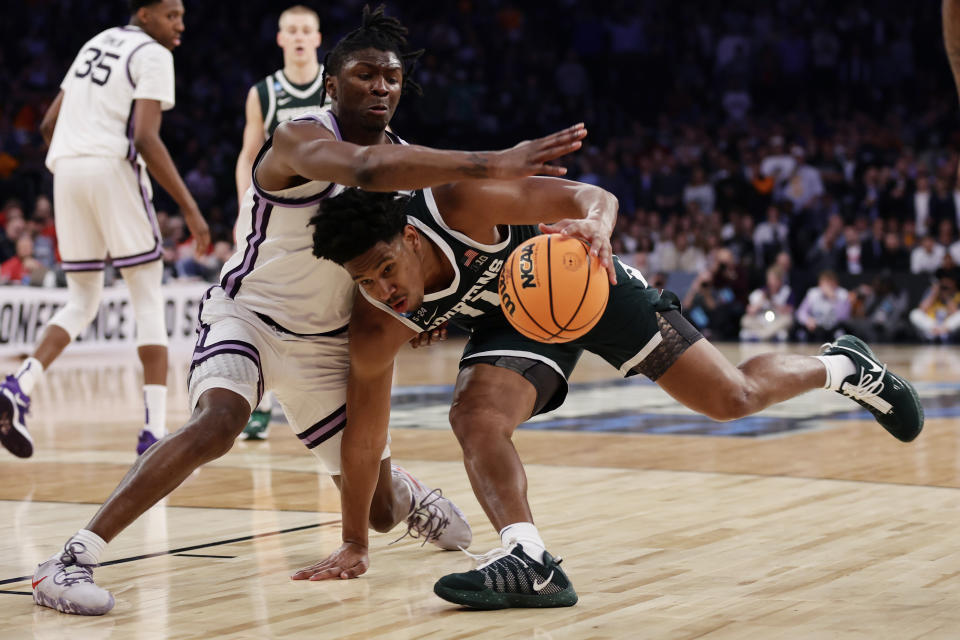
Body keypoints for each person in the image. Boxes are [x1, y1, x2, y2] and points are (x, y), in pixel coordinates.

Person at [31, 5, 587, 617]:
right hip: (250, 316)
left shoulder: (410, 163)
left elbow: (418, 249)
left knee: (376, 516)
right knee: (218, 424)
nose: (380, 86)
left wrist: (430, 308)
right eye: (365, 74)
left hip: (330, 343)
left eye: (392, 78)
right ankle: (70, 558)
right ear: (331, 82)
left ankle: (402, 491)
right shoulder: (299, 136)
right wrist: (491, 160)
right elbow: (363, 168)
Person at [307, 181, 924, 610]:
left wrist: (596, 225)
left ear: (412, 239)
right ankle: (530, 561)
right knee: (475, 416)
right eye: (365, 280)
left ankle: (843, 366)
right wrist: (357, 540)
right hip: (517, 316)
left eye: (386, 268)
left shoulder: (460, 205)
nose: (382, 288)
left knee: (730, 398)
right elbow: (363, 434)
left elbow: (590, 196)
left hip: (579, 274)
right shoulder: (379, 319)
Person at [0, 0, 210, 460]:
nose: (180, 24)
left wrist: (78, 162)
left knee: (82, 298)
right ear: (145, 12)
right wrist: (190, 209)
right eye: (172, 14)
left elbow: (50, 122)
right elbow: (145, 137)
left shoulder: (94, 43)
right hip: (109, 166)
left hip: (67, 169)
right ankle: (154, 434)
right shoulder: (152, 54)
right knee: (148, 294)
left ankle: (20, 384)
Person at [234, 5, 329, 441]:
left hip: (329, 209)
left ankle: (328, 396)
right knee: (261, 299)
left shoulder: (336, 84)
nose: (298, 37)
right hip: (276, 212)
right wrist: (243, 203)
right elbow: (250, 152)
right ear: (280, 38)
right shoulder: (264, 92)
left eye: (305, 30)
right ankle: (262, 403)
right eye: (290, 30)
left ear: (317, 37)